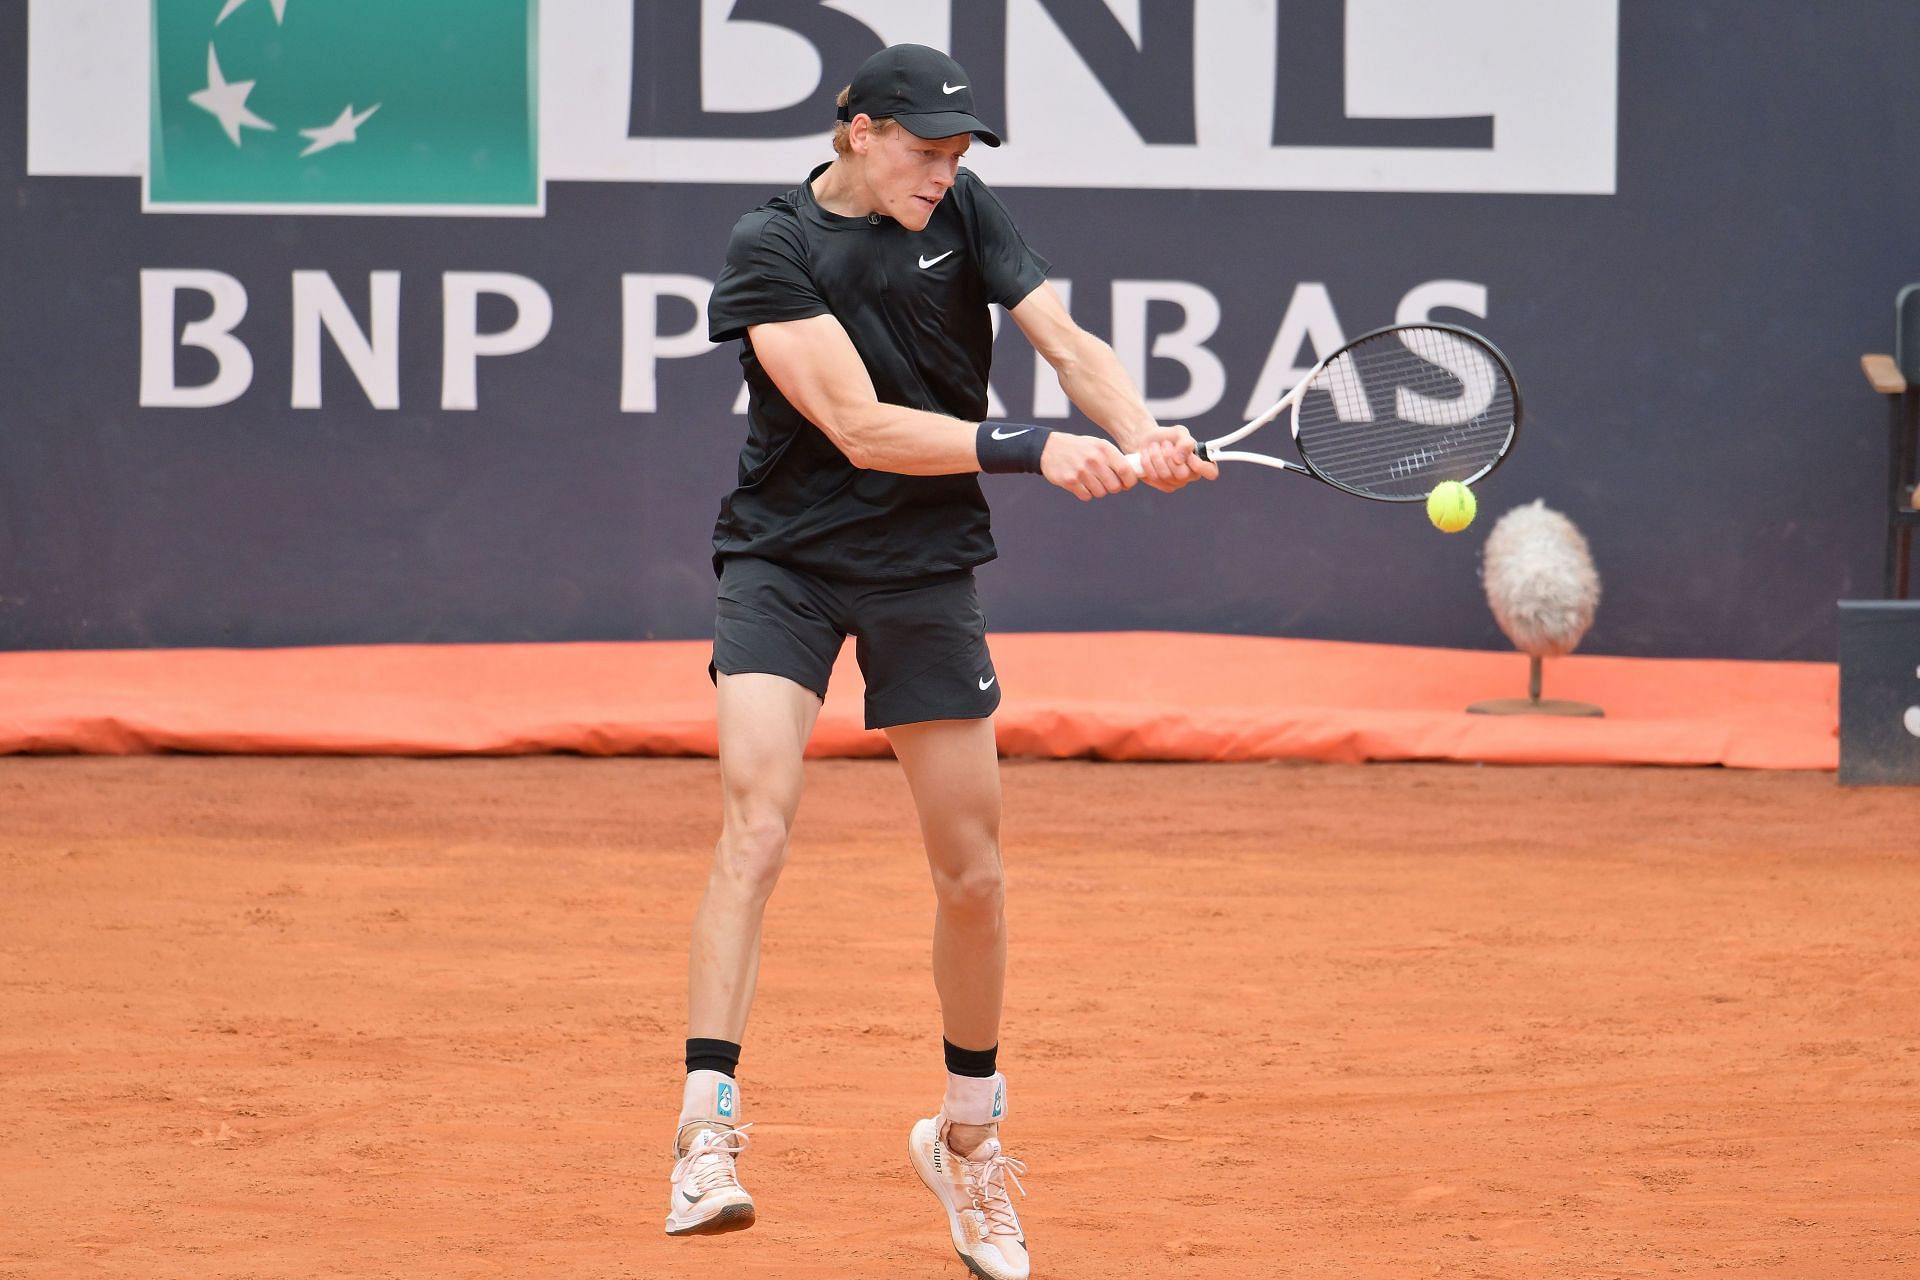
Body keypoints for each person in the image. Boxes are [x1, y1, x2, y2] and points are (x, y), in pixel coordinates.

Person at [665, 42, 1216, 1279]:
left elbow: (1065, 337)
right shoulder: (772, 247)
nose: (945, 169)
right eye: (924, 148)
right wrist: (1032, 448)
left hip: (922, 569)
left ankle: (967, 1139)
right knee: (756, 821)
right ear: (855, 130)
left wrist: (1139, 430)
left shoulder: (962, 209)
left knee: (973, 872)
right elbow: (856, 423)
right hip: (786, 562)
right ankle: (706, 1130)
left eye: (959, 150)